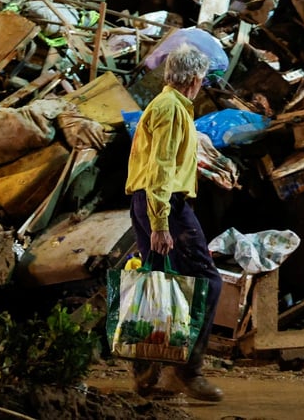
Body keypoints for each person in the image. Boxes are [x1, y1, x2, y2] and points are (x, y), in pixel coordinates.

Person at [124, 43, 224, 402]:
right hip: (165, 206)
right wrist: (161, 224)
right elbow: (161, 168)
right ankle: (186, 371)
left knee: (159, 285)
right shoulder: (170, 109)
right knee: (207, 282)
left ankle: (147, 369)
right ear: (195, 80)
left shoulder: (168, 105)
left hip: (150, 201)